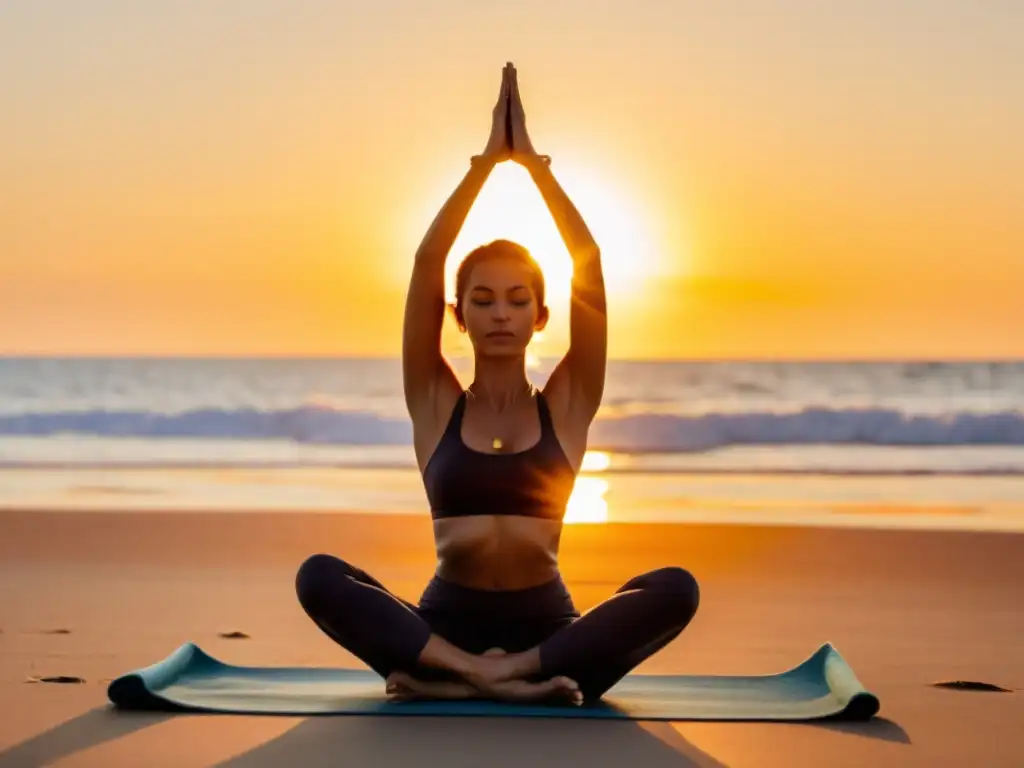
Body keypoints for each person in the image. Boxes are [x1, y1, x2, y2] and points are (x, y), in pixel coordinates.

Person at [296, 62, 699, 705]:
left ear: (541, 317)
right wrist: (485, 165)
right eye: (482, 300)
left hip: (547, 630)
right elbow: (429, 264)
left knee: (677, 588)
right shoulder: (434, 403)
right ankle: (478, 671)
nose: (501, 314)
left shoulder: (565, 406)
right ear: (459, 316)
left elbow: (587, 264)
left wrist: (536, 168)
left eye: (517, 301)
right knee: (317, 577)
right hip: (441, 623)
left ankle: (473, 677)